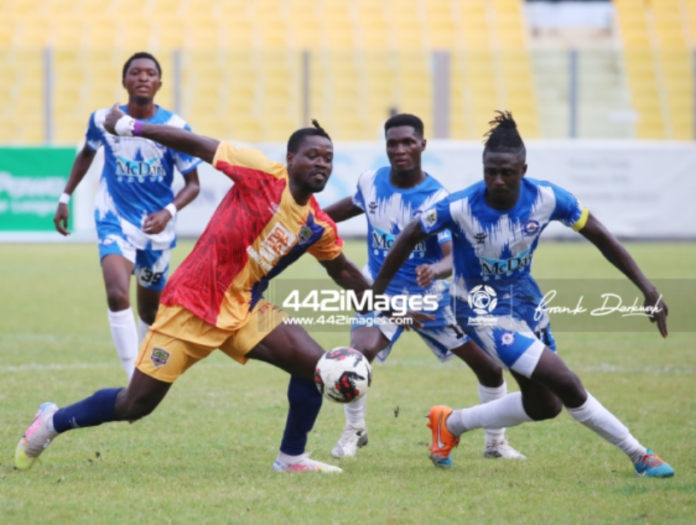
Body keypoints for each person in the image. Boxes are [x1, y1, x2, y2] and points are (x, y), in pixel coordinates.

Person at [16, 109, 390, 474]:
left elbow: (342, 269)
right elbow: (197, 144)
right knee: (135, 405)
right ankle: (51, 422)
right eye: (313, 155)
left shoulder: (318, 225)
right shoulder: (260, 173)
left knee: (317, 368)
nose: (321, 164)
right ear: (291, 159)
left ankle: (291, 458)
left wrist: (388, 307)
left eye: (328, 158)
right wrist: (132, 127)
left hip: (244, 306)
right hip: (191, 303)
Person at [370, 111, 675, 478]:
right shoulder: (460, 206)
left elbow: (600, 235)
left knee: (545, 404)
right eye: (490, 172)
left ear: (523, 169)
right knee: (566, 382)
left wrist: (647, 288)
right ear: (482, 167)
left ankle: (449, 424)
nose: (497, 181)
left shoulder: (548, 198)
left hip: (525, 303)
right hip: (478, 310)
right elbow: (409, 234)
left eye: (507, 173)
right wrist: (376, 295)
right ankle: (640, 454)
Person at [324, 114, 524, 461]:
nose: (399, 150)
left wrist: (435, 268)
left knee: (490, 368)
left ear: (422, 146)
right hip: (380, 291)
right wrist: (308, 220)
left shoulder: (438, 198)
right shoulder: (370, 182)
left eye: (407, 143)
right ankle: (354, 429)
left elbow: (451, 257)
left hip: (433, 300)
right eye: (392, 143)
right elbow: (342, 210)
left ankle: (495, 443)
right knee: (358, 354)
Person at [53, 52, 201, 380]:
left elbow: (193, 185)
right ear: (124, 81)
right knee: (117, 292)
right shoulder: (103, 120)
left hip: (157, 228)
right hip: (114, 218)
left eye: (150, 73)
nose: (143, 77)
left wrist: (168, 211)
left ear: (160, 83)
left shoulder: (176, 129)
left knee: (149, 309)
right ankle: (133, 378)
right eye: (135, 72)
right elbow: (86, 154)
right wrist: (65, 197)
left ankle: (144, 366)